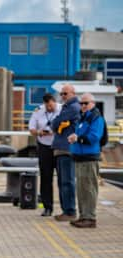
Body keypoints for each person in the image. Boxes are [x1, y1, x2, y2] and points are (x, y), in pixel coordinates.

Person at [68, 93, 105, 228]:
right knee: (81, 189)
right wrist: (74, 137)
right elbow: (80, 134)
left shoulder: (96, 118)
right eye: (81, 103)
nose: (83, 106)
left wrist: (78, 138)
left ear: (93, 103)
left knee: (89, 188)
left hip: (89, 158)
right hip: (80, 157)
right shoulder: (82, 118)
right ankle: (83, 216)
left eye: (86, 103)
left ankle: (90, 218)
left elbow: (94, 137)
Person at [51, 84, 80, 221]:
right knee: (62, 182)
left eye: (65, 93)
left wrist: (57, 123)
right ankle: (66, 210)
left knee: (67, 181)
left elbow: (54, 123)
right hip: (61, 149)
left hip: (67, 149)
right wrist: (56, 123)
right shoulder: (67, 108)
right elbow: (55, 124)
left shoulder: (73, 108)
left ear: (73, 93)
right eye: (61, 94)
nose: (62, 96)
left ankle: (70, 211)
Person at [29, 93, 61, 217]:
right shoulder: (38, 111)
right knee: (45, 178)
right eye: (47, 106)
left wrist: (53, 132)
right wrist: (38, 132)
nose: (49, 108)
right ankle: (47, 207)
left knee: (62, 178)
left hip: (59, 147)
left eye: (51, 106)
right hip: (44, 147)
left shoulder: (62, 109)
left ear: (54, 102)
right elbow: (31, 129)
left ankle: (66, 208)